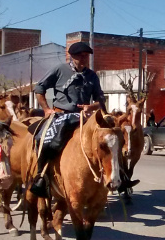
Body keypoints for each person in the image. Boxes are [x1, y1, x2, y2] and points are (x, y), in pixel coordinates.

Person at [29, 41, 108, 197]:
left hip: (84, 117)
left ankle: (116, 178)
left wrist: (90, 107)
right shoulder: (59, 70)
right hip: (61, 115)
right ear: (72, 57)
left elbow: (100, 100)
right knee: (45, 139)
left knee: (109, 141)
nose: (84, 58)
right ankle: (41, 177)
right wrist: (46, 109)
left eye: (86, 56)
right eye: (80, 56)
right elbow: (39, 89)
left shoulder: (92, 75)